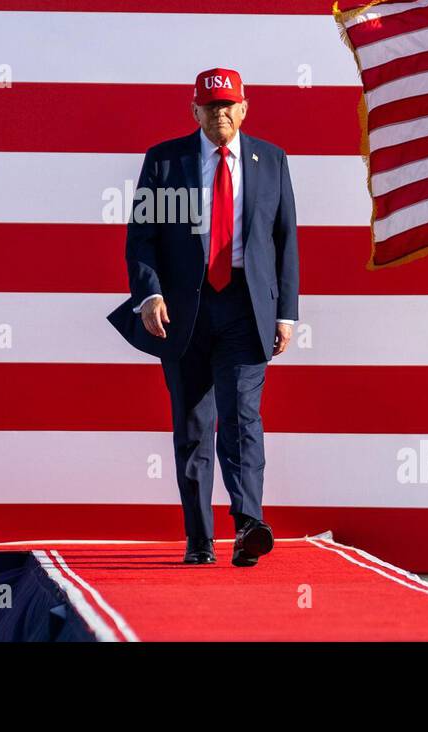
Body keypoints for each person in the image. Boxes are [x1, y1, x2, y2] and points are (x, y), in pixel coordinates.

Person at [105, 67, 300, 566]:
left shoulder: (272, 161)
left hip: (245, 307)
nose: (221, 115)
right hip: (183, 312)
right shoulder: (165, 162)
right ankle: (200, 538)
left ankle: (248, 525)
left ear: (244, 107)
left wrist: (286, 314)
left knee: (242, 417)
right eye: (210, 107)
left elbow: (284, 242)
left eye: (229, 105)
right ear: (194, 111)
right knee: (193, 424)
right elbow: (141, 238)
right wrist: (148, 296)